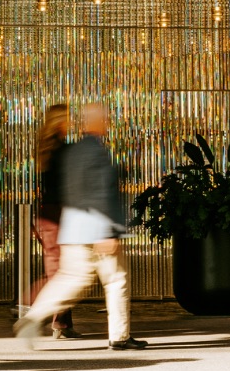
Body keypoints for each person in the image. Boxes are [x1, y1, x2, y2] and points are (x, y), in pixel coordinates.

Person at [14, 102, 147, 350]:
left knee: (70, 279)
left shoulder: (72, 152)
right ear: (97, 122)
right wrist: (108, 231)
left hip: (73, 229)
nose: (107, 123)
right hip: (97, 228)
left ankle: (33, 317)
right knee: (116, 280)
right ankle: (119, 336)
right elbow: (99, 193)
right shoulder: (95, 151)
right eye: (104, 119)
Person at [28, 103, 79, 339]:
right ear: (60, 122)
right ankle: (30, 307)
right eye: (68, 119)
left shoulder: (45, 149)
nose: (71, 123)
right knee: (65, 271)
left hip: (47, 215)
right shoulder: (65, 151)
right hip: (60, 215)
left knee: (59, 268)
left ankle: (62, 322)